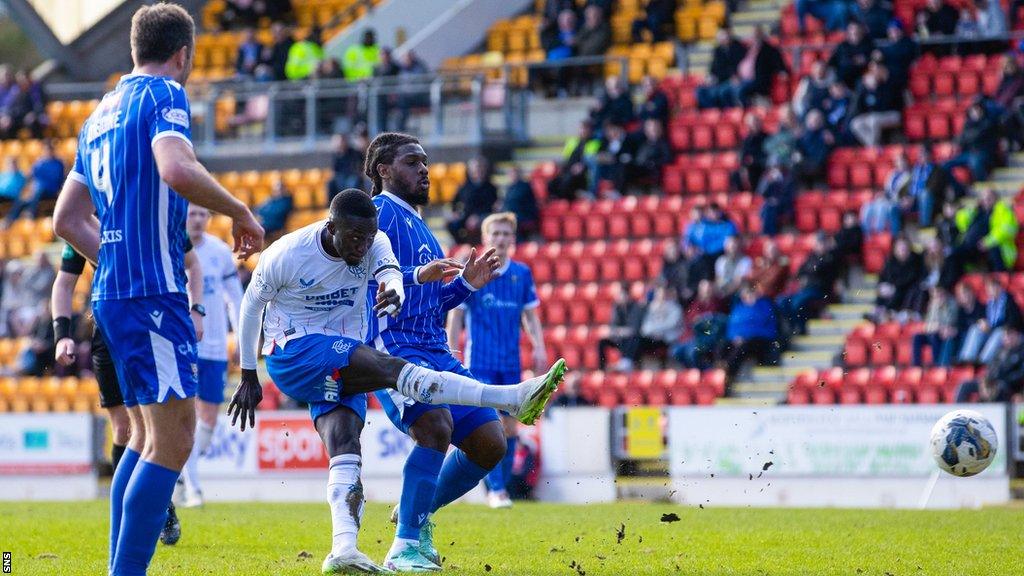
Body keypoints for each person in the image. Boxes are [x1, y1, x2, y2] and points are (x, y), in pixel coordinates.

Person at [233, 190, 565, 573]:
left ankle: (343, 550)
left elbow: (391, 274)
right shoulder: (287, 253)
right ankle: (510, 397)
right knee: (393, 371)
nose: (361, 246)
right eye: (353, 238)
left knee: (344, 442)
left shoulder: (377, 240)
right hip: (293, 350)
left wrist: (394, 289)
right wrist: (247, 373)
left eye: (367, 237)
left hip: (345, 353)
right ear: (330, 228)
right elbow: (251, 306)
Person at [51, 6, 266, 574]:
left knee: (147, 437)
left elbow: (66, 220)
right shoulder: (163, 94)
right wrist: (239, 209)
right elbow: (174, 168)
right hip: (153, 292)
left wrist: (114, 258)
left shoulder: (97, 116)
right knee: (171, 442)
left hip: (114, 295)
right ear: (183, 55)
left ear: (131, 48)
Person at [364, 133, 555, 571]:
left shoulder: (422, 226)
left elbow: (432, 303)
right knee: (434, 426)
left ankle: (417, 509)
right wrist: (416, 275)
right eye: (413, 162)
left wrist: (466, 285)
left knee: (490, 444)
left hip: (435, 348)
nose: (425, 169)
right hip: (394, 346)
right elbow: (359, 275)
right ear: (384, 170)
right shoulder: (376, 216)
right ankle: (403, 546)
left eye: (426, 162)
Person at [52, 237, 204, 546]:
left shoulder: (156, 213)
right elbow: (64, 283)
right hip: (107, 333)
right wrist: (62, 335)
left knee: (158, 428)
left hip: (154, 328)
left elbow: (192, 264)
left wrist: (196, 308)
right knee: (124, 428)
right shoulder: (87, 223)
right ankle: (132, 517)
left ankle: (158, 503)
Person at [447, 213, 547, 509]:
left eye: (506, 234)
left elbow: (529, 315)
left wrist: (539, 346)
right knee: (492, 426)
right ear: (486, 239)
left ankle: (500, 489)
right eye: (496, 234)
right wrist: (452, 351)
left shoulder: (522, 274)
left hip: (511, 362)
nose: (501, 239)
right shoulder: (476, 272)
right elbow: (456, 315)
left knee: (512, 428)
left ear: (512, 239)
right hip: (480, 363)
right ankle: (497, 489)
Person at [177, 205, 244, 508]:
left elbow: (235, 298)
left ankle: (179, 469)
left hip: (215, 345)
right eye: (193, 213)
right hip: (184, 345)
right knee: (187, 418)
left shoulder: (219, 252)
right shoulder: (174, 247)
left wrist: (242, 336)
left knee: (209, 419)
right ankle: (193, 487)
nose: (198, 219)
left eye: (204, 214)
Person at [940, 188, 1020, 288]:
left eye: (989, 198)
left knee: (992, 248)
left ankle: (1001, 282)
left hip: (999, 251)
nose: (986, 201)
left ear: (996, 198)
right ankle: (950, 287)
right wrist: (970, 210)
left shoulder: (1003, 210)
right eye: (983, 198)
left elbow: (1008, 229)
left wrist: (987, 242)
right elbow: (961, 222)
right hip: (973, 247)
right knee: (952, 255)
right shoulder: (978, 211)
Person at [777, 233, 840, 334]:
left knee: (797, 303)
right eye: (818, 242)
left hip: (820, 291)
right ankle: (792, 326)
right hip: (806, 290)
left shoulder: (831, 257)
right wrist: (808, 272)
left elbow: (818, 269)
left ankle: (801, 328)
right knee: (782, 301)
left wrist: (808, 272)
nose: (820, 245)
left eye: (822, 242)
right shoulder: (811, 256)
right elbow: (800, 271)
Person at [957, 277, 1023, 365]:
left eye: (993, 288)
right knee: (975, 328)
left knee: (999, 332)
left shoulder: (1009, 301)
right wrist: (983, 322)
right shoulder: (989, 303)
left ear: (999, 287)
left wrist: (997, 327)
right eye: (988, 289)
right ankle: (966, 358)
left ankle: (983, 361)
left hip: (1007, 331)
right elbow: (986, 319)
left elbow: (1014, 320)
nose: (990, 291)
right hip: (991, 330)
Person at [722, 284, 779, 380]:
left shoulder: (764, 306)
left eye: (750, 293)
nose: (748, 297)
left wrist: (744, 336)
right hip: (739, 340)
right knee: (723, 345)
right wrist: (735, 337)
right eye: (745, 295)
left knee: (744, 345)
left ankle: (728, 370)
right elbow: (731, 327)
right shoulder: (738, 309)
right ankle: (719, 368)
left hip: (760, 340)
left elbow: (768, 327)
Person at [3, 140, 64, 226]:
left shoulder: (58, 163)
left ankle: (31, 213)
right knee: (23, 197)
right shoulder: (40, 163)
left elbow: (57, 178)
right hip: (37, 189)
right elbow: (31, 176)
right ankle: (11, 218)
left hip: (51, 189)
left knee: (39, 188)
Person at [954, 328, 1024, 402]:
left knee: (999, 389)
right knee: (965, 386)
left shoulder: (1021, 352)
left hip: (1008, 384)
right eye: (1005, 336)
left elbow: (1020, 374)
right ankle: (960, 411)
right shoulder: (1000, 351)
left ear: (1016, 335)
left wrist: (1000, 380)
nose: (1006, 339)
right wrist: (985, 381)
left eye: (1009, 336)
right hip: (992, 381)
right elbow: (991, 367)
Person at [872, 236, 926, 322]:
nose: (902, 250)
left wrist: (894, 287)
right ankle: (879, 312)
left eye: (904, 247)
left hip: (907, 292)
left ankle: (888, 313)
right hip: (892, 291)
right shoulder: (890, 261)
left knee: (898, 291)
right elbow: (882, 278)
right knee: (884, 290)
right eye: (899, 247)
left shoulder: (916, 260)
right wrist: (882, 287)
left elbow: (911, 279)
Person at [447, 156, 498, 244]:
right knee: (451, 224)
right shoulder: (464, 186)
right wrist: (454, 212)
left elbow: (491, 206)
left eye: (480, 168)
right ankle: (462, 245)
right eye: (475, 168)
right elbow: (454, 202)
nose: (478, 171)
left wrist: (477, 217)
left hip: (483, 216)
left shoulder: (491, 188)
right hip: (466, 216)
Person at [848, 65, 901, 148]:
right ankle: (873, 147)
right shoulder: (865, 90)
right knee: (855, 124)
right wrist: (865, 89)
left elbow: (886, 106)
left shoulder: (886, 85)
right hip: (874, 116)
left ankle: (874, 149)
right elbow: (858, 107)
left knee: (873, 120)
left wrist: (876, 89)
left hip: (893, 114)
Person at [597, 282, 646, 369]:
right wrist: (618, 331)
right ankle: (602, 368)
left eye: (620, 294)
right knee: (602, 341)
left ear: (627, 295)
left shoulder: (636, 307)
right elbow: (613, 326)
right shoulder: (617, 307)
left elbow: (633, 330)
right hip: (620, 338)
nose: (617, 297)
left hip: (633, 340)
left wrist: (618, 331)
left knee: (632, 338)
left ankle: (626, 363)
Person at [912, 286, 958, 367]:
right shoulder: (933, 306)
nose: (938, 297)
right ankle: (916, 366)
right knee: (917, 337)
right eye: (935, 295)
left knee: (934, 336)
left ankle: (937, 365)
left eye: (939, 294)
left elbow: (950, 322)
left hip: (944, 335)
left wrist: (943, 308)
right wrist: (936, 326)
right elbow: (926, 326)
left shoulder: (952, 304)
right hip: (933, 333)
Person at [828, 22, 875, 89]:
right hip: (843, 77)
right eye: (852, 30)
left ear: (861, 31)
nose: (854, 33)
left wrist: (864, 60)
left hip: (861, 76)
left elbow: (872, 58)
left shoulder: (868, 44)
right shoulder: (843, 46)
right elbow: (832, 62)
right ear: (848, 32)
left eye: (857, 31)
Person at [500, 166, 540, 241]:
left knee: (512, 220)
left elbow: (517, 202)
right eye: (510, 173)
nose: (512, 175)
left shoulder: (525, 186)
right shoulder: (509, 187)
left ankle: (519, 243)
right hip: (514, 214)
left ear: (519, 174)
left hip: (525, 214)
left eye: (514, 173)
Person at [757, 161, 795, 236]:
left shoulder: (788, 178)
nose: (776, 169)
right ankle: (768, 233)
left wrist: (778, 201)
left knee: (769, 208)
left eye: (777, 166)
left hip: (784, 205)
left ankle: (768, 233)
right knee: (768, 207)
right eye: (774, 167)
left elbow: (790, 196)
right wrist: (769, 181)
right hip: (771, 205)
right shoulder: (767, 177)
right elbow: (761, 193)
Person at [733, 112, 769, 191]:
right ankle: (743, 197)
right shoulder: (747, 139)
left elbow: (767, 154)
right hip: (750, 166)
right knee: (735, 174)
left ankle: (755, 195)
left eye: (756, 122)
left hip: (762, 165)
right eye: (752, 124)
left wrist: (754, 160)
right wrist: (744, 166)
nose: (754, 125)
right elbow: (743, 156)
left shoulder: (767, 137)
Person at [329, 135, 367, 201]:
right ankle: (332, 206)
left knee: (353, 182)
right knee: (330, 183)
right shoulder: (336, 155)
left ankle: (351, 204)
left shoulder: (354, 152)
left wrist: (361, 172)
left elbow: (362, 162)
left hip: (352, 175)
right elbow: (334, 169)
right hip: (340, 176)